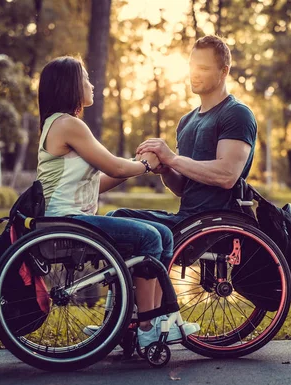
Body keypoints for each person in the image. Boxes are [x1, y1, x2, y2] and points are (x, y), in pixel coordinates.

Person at [36, 56, 198, 347]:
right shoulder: (68, 124)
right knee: (149, 236)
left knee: (162, 233)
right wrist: (145, 164)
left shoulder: (59, 124)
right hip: (68, 221)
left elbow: (100, 181)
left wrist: (136, 165)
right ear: (70, 85)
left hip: (69, 217)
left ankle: (150, 320)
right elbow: (116, 167)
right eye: (85, 78)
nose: (91, 84)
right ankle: (147, 326)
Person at [110, 35, 257, 229]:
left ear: (224, 72)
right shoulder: (186, 121)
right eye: (192, 67)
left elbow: (227, 176)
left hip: (216, 224)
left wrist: (171, 158)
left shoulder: (237, 113)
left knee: (119, 226)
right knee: (115, 218)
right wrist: (166, 170)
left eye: (203, 68)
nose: (194, 74)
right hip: (187, 220)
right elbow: (182, 188)